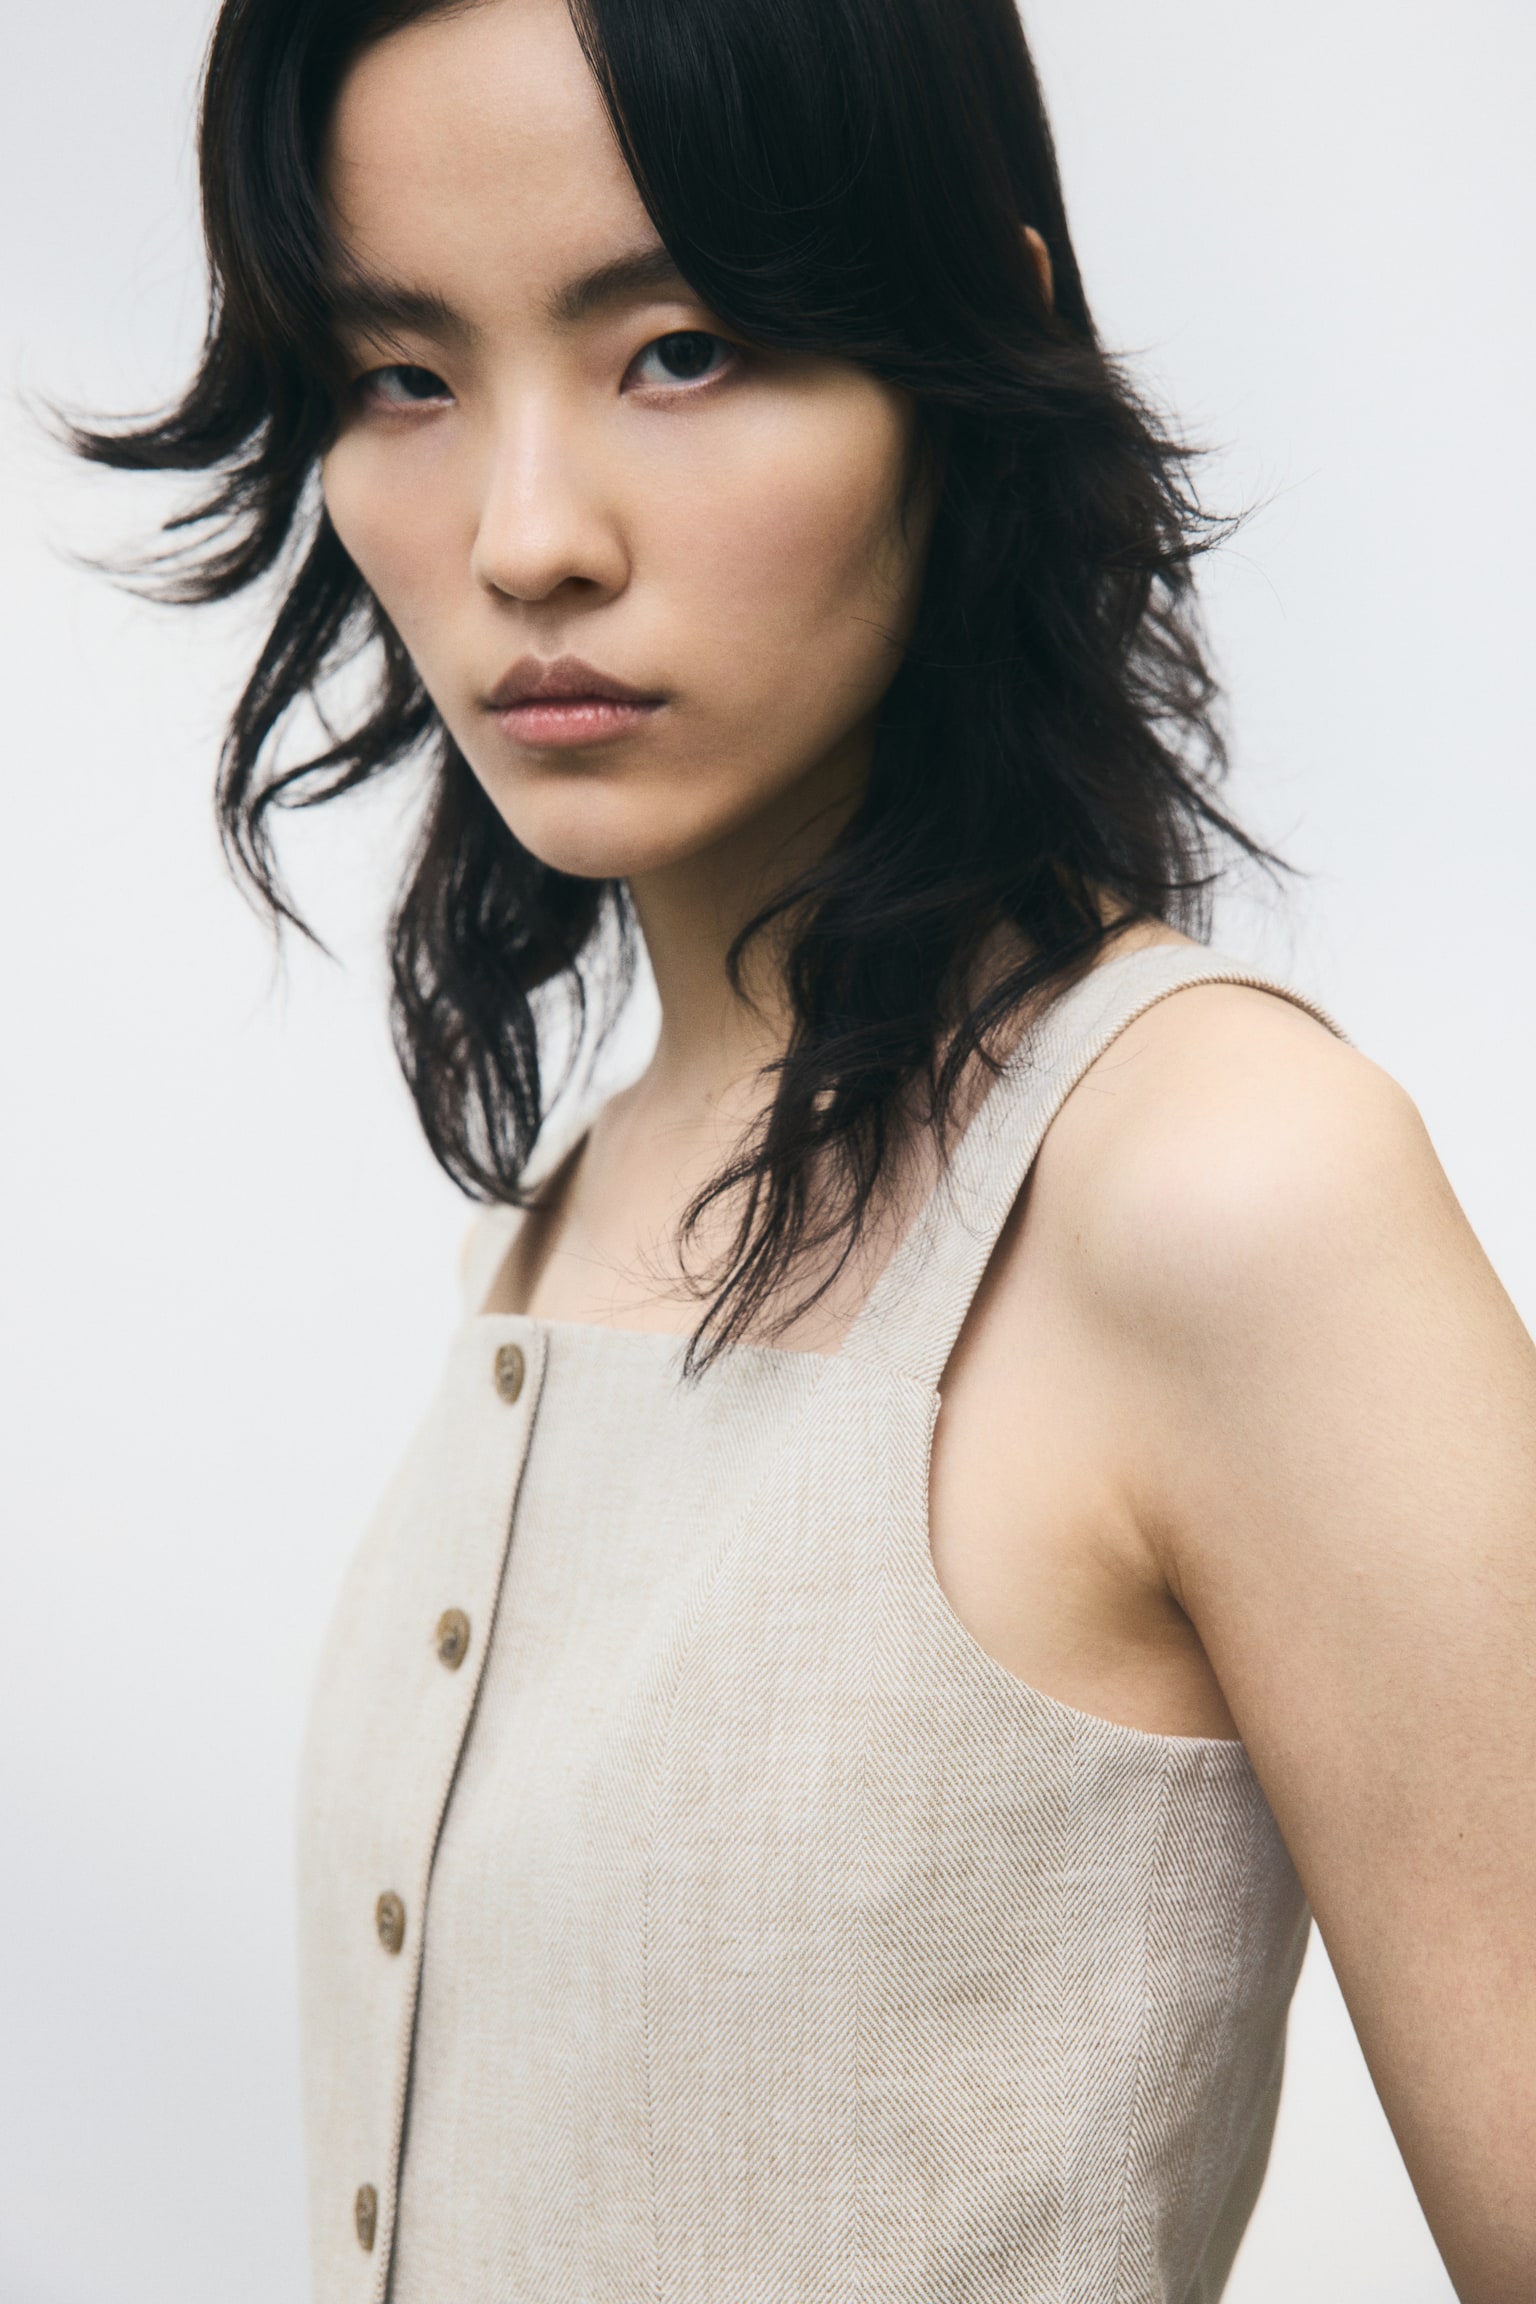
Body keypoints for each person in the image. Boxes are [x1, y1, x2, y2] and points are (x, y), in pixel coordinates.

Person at [76, 0, 1536, 2296]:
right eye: (402, 375)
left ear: (966, 351)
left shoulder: (1224, 1189)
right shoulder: (584, 1193)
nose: (529, 538)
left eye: (681, 350)